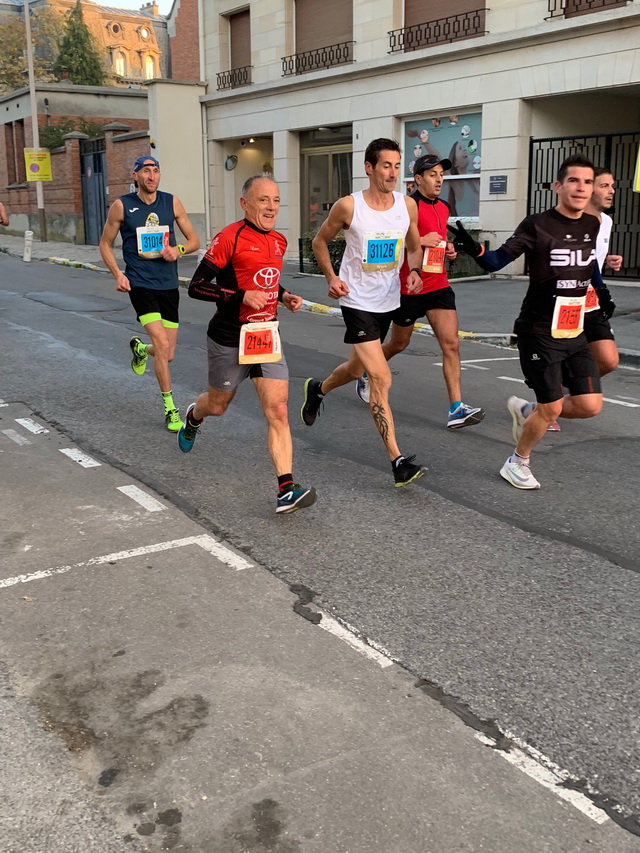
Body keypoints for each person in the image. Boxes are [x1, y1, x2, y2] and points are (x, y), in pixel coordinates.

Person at [449, 154, 606, 490]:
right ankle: (517, 462)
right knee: (551, 410)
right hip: (539, 330)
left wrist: (600, 291)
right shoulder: (537, 225)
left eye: (588, 182)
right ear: (558, 186)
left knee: (590, 406)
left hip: (574, 329)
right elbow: (496, 260)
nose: (581, 188)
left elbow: (588, 264)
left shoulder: (593, 224)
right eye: (574, 181)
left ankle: (530, 411)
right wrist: (474, 249)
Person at [177, 175, 316, 515]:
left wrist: (283, 296)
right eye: (263, 200)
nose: (271, 207)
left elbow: (266, 278)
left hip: (266, 337)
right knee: (218, 405)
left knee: (279, 410)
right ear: (246, 204)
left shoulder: (280, 242)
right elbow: (196, 286)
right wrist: (240, 296)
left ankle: (286, 488)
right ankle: (195, 416)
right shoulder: (230, 237)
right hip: (228, 337)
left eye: (276, 200)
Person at [302, 138, 427, 488]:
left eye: (397, 166)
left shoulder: (407, 206)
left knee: (355, 368)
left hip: (387, 300)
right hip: (356, 301)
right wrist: (331, 277)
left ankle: (319, 389)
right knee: (381, 378)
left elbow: (414, 247)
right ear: (369, 168)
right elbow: (319, 241)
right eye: (385, 165)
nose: (392, 173)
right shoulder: (348, 206)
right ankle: (397, 460)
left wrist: (414, 271)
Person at [355, 154, 485, 430]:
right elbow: (388, 241)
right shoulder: (402, 206)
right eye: (432, 174)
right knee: (399, 344)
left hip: (438, 285)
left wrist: (448, 249)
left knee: (451, 344)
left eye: (441, 174)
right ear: (417, 179)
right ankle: (368, 370)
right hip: (409, 288)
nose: (439, 179)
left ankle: (456, 408)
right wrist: (417, 241)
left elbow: (438, 239)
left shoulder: (445, 207)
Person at [100, 155, 199, 431]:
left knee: (167, 354)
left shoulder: (171, 202)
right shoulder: (122, 206)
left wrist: (176, 250)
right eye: (146, 171)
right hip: (140, 284)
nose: (152, 176)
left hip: (168, 285)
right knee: (163, 344)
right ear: (136, 176)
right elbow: (105, 244)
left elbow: (194, 241)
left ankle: (142, 350)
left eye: (156, 170)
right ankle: (170, 409)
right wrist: (118, 274)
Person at [583, 167, 623, 377]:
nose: (612, 191)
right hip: (564, 300)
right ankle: (548, 403)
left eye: (612, 186)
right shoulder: (572, 221)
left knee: (607, 360)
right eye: (605, 186)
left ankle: (564, 398)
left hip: (593, 300)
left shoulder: (606, 222)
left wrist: (607, 260)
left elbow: (592, 257)